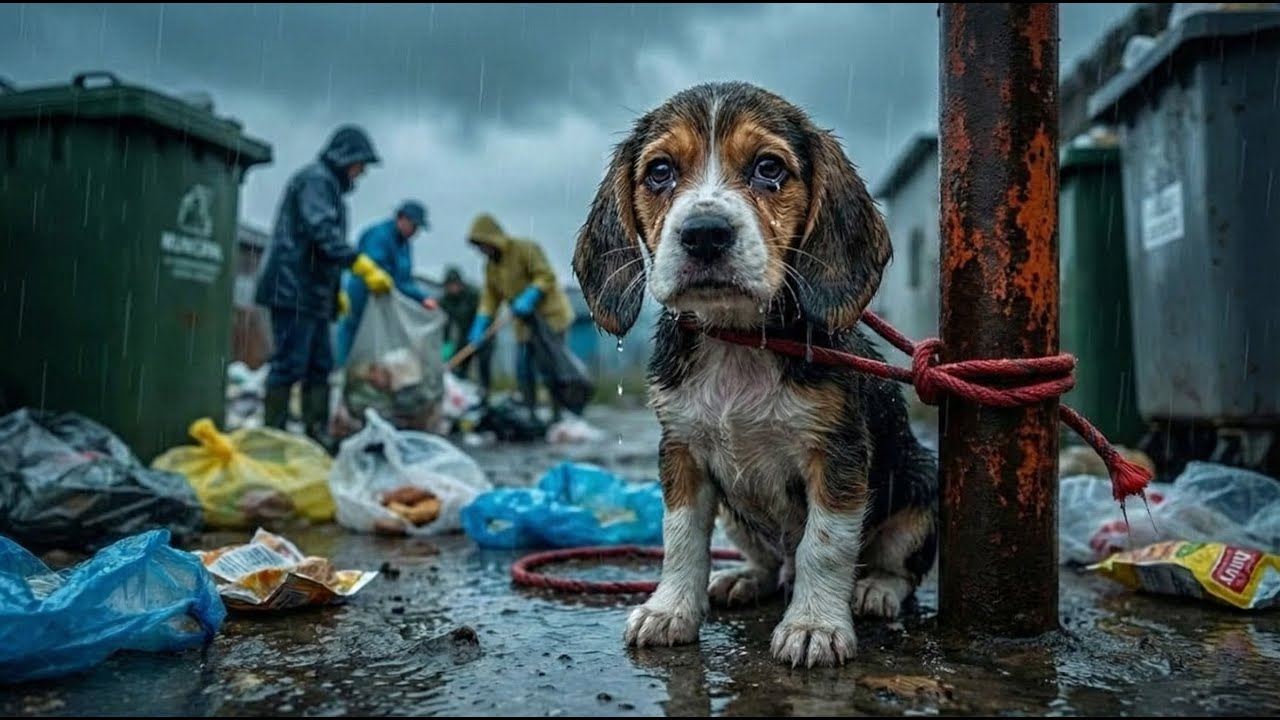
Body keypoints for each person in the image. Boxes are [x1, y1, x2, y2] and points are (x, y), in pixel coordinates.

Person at [255, 124, 392, 448]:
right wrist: (359, 264)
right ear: (346, 158)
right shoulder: (316, 180)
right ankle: (271, 437)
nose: (360, 174)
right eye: (360, 165)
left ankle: (316, 434)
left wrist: (334, 292)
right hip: (292, 290)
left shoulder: (328, 186)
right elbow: (321, 233)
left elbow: (321, 248)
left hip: (313, 293)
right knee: (289, 364)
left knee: (319, 365)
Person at [464, 213, 574, 421]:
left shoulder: (524, 249)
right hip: (524, 324)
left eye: (483, 244)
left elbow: (546, 276)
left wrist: (531, 295)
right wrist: (481, 321)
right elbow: (490, 297)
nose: (481, 250)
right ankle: (530, 413)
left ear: (492, 238)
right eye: (478, 246)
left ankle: (558, 414)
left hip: (549, 319)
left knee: (552, 368)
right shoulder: (490, 267)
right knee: (524, 369)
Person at [334, 200, 439, 367]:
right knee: (353, 332)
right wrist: (420, 296)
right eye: (414, 226)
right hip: (364, 295)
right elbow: (383, 273)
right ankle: (344, 371)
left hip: (386, 300)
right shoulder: (379, 235)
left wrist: (421, 298)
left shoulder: (404, 244)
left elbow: (404, 277)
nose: (415, 232)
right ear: (402, 219)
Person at [438, 266, 492, 399]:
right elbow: (446, 324)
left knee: (483, 364)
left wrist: (480, 330)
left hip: (484, 334)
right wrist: (446, 346)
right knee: (460, 366)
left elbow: (486, 312)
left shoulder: (473, 294)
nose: (452, 288)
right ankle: (461, 394)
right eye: (449, 286)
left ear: (460, 284)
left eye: (454, 285)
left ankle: (485, 394)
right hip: (464, 335)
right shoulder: (446, 300)